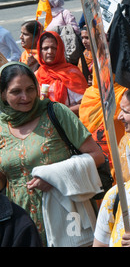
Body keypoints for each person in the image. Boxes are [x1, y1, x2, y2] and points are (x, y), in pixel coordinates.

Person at [0, 62, 105, 246]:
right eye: (16, 92)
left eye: (30, 89)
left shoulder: (55, 112)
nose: (25, 97)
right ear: (2, 94)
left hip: (66, 214)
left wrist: (55, 177)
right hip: (21, 222)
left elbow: (96, 155)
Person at [35, 31, 88, 116]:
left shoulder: (71, 73)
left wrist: (58, 112)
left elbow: (85, 104)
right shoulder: (37, 75)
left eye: (54, 48)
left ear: (60, 49)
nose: (50, 51)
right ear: (40, 51)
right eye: (45, 48)